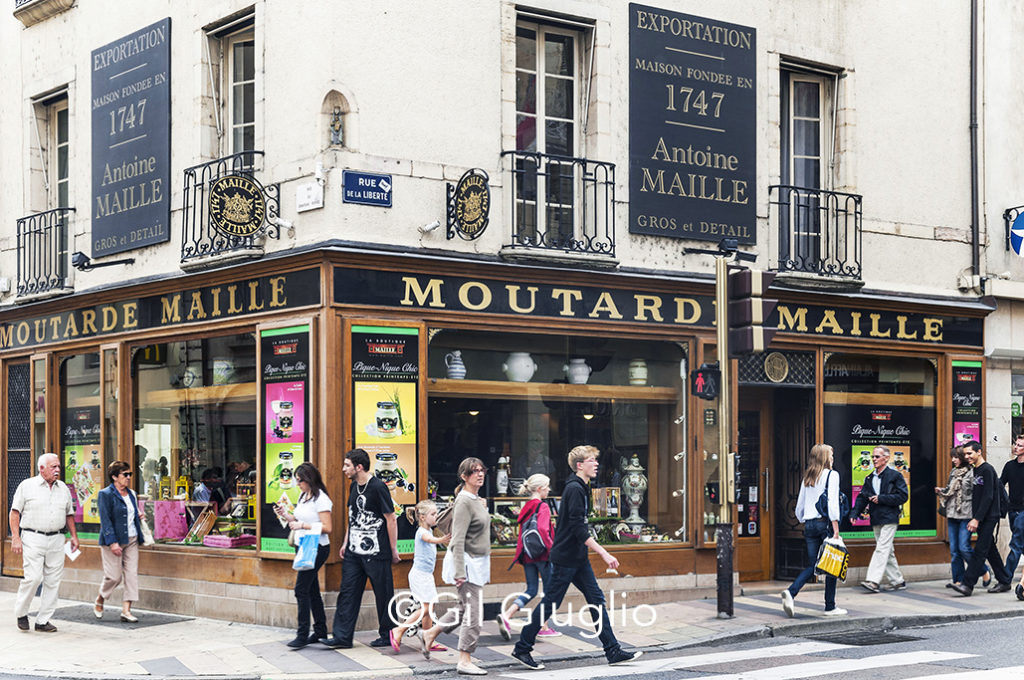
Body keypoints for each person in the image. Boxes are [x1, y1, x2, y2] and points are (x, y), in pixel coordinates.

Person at [512, 445, 642, 671]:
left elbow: (578, 527)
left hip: (577, 558)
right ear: (580, 465)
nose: (597, 464)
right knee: (550, 603)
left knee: (596, 600)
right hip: (565, 558)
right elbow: (577, 528)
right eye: (592, 460)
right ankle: (522, 648)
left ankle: (612, 650)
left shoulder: (581, 486)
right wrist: (604, 552)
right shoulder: (575, 489)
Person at [320, 449, 399, 649]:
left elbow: (391, 518)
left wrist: (393, 549)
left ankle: (389, 634)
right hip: (354, 553)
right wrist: (346, 543)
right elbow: (352, 516)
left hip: (377, 551)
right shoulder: (354, 486)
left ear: (359, 467)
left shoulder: (378, 487)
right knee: (347, 592)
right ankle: (342, 637)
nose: (343, 469)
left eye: (347, 465)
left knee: (384, 594)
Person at [420, 458, 492, 676]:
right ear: (464, 476)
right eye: (474, 471)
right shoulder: (464, 501)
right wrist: (460, 571)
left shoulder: (474, 499)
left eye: (482, 470)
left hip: (476, 562)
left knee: (464, 609)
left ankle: (430, 633)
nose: (479, 474)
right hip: (467, 563)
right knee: (474, 614)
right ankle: (464, 658)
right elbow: (458, 538)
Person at [9, 453, 78, 632]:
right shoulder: (27, 486)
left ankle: (43, 620)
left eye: (58, 467)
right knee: (33, 578)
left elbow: (69, 514)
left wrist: (74, 537)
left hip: (57, 538)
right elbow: (14, 513)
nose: (57, 470)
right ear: (42, 468)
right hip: (33, 537)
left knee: (53, 580)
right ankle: (21, 613)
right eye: (53, 467)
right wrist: (16, 537)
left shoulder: (63, 488)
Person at [781, 444, 847, 617]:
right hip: (825, 523)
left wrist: (805, 520)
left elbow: (799, 507)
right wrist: (836, 528)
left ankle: (791, 592)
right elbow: (833, 503)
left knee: (813, 565)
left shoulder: (808, 477)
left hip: (809, 524)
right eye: (831, 455)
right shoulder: (832, 475)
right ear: (825, 457)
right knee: (831, 564)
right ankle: (830, 606)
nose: (833, 458)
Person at [275, 462, 332, 648]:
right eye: (296, 480)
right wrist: (286, 515)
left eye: (300, 481)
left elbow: (328, 528)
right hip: (303, 545)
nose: (297, 484)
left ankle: (302, 634)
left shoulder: (321, 499)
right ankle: (320, 630)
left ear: (309, 479)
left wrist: (302, 526)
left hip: (316, 547)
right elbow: (299, 519)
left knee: (301, 589)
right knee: (312, 589)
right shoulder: (304, 496)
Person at [497, 474, 559, 638]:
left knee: (531, 589)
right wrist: (552, 550)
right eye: (547, 487)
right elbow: (543, 530)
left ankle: (507, 615)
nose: (549, 489)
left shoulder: (526, 506)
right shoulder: (543, 507)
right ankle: (543, 627)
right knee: (549, 591)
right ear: (539, 489)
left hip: (527, 554)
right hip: (543, 555)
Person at [951, 440, 1014, 596]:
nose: (967, 456)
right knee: (990, 549)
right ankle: (1005, 580)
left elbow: (988, 497)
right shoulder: (975, 470)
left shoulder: (987, 470)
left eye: (969, 453)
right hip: (982, 516)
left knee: (979, 550)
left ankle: (967, 584)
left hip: (989, 516)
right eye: (965, 454)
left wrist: (976, 519)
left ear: (979, 452)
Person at [389, 499, 450, 652]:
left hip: (426, 576)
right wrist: (441, 540)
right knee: (425, 608)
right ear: (422, 517)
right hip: (419, 576)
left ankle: (427, 639)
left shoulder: (428, 530)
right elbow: (428, 540)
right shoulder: (421, 532)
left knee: (430, 607)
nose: (436, 517)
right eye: (433, 514)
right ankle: (399, 630)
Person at [850, 445, 909, 593]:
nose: (873, 459)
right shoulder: (870, 477)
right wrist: (854, 513)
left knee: (882, 548)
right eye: (873, 457)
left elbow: (903, 496)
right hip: (876, 518)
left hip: (890, 517)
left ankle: (873, 581)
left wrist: (881, 498)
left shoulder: (895, 476)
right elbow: (862, 497)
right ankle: (898, 581)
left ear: (886, 458)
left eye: (877, 457)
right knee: (887, 551)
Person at [95, 461, 144, 623]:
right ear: (115, 477)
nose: (129, 477)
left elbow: (130, 513)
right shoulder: (105, 494)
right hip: (113, 540)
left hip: (132, 538)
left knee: (131, 575)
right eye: (125, 474)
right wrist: (112, 542)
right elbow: (105, 519)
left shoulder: (132, 494)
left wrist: (139, 515)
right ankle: (100, 598)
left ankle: (126, 610)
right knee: (114, 577)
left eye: (130, 474)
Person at [936, 446, 992, 588]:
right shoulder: (953, 472)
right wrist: (942, 491)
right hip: (952, 513)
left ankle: (983, 570)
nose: (953, 460)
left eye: (956, 457)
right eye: (952, 457)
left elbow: (977, 494)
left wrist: (977, 517)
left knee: (964, 547)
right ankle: (958, 580)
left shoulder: (973, 472)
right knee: (954, 550)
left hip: (966, 513)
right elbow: (951, 490)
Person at [1000, 433, 1024, 596]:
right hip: (1013, 510)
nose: (1016, 447)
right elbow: (1001, 485)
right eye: (1015, 444)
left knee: (1015, 544)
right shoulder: (1010, 466)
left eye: (1020, 445)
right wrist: (1006, 503)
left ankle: (1005, 579)